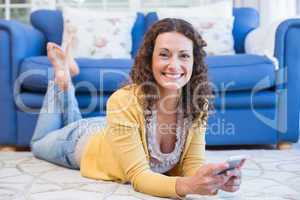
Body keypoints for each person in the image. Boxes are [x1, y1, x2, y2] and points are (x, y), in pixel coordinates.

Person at [30, 18, 244, 199]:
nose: (174, 65)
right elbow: (139, 177)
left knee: (74, 120)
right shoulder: (123, 100)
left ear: (194, 62)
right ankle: (61, 77)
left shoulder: (197, 103)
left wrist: (213, 181)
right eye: (164, 54)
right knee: (38, 144)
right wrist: (187, 186)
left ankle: (68, 74)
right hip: (80, 141)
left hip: (114, 130)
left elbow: (192, 164)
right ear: (149, 59)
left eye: (184, 55)